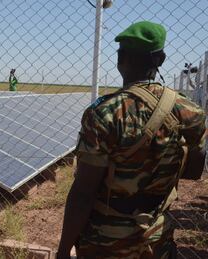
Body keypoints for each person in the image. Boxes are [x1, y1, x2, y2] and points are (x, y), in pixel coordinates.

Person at [57, 21, 206, 259]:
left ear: (120, 59)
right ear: (161, 60)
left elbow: (84, 192)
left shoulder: (104, 113)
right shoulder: (191, 112)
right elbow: (194, 170)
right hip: (156, 239)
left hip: (104, 242)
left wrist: (64, 248)